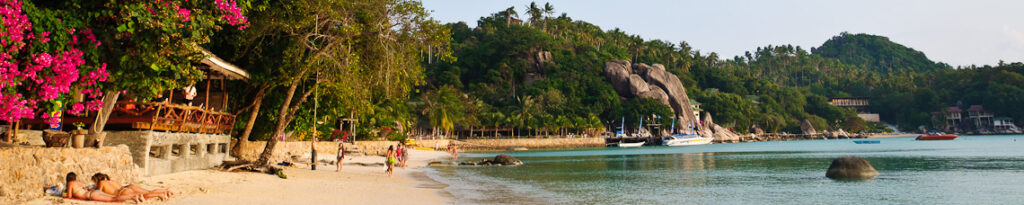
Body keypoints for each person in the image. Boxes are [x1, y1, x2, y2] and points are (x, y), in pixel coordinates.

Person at [65, 172, 143, 203]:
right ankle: (135, 196)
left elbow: (69, 196)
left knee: (114, 199)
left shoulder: (70, 183)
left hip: (91, 195)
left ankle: (134, 197)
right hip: (93, 193)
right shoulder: (78, 183)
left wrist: (64, 196)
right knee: (115, 197)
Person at [91, 173, 172, 200]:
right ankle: (165, 191)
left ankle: (159, 195)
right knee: (148, 191)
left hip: (122, 192)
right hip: (128, 187)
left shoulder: (101, 183)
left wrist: (92, 188)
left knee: (143, 196)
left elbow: (98, 192)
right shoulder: (111, 181)